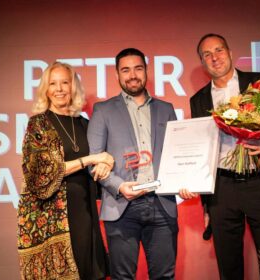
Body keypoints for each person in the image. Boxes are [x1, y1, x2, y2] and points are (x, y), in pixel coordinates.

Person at [190, 34, 260, 280]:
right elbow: (201, 149)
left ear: (230, 52)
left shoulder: (259, 82)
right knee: (229, 270)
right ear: (203, 63)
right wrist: (205, 204)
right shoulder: (198, 100)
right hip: (221, 190)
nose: (215, 58)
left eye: (219, 50)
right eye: (207, 55)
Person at [87, 48, 194, 279]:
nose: (132, 75)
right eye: (125, 70)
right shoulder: (103, 110)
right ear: (117, 75)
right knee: (122, 277)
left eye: (138, 68)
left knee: (164, 276)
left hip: (161, 204)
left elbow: (177, 155)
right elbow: (93, 161)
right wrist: (119, 186)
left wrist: (185, 181)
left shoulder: (165, 109)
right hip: (122, 206)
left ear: (146, 71)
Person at [17, 61, 114, 280]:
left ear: (73, 87)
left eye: (65, 83)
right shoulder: (38, 124)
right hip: (52, 217)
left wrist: (103, 164)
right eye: (53, 84)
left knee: (88, 269)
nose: (59, 89)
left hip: (85, 211)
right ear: (46, 89)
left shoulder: (84, 123)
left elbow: (101, 157)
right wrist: (91, 159)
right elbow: (41, 173)